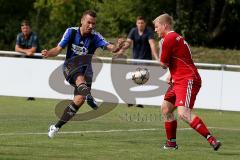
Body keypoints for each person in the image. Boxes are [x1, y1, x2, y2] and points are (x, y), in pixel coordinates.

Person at [42, 10, 125, 138]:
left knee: (79, 100)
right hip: (70, 67)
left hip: (86, 72)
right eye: (89, 22)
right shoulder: (71, 32)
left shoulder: (95, 36)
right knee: (79, 76)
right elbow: (58, 49)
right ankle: (89, 96)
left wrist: (118, 45)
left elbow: (112, 48)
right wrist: (49, 53)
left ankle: (56, 126)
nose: (91, 26)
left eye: (93, 24)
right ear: (82, 21)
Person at [153, 13, 221, 151]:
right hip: (178, 79)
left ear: (164, 25)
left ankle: (212, 139)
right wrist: (171, 75)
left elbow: (163, 64)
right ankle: (171, 144)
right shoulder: (175, 37)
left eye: (157, 26)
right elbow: (177, 60)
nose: (155, 30)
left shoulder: (169, 38)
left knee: (184, 113)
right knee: (166, 108)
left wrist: (158, 54)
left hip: (187, 79)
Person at [119, 16, 158, 108]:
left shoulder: (149, 31)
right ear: (136, 24)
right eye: (139, 23)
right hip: (135, 60)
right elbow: (128, 43)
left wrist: (157, 58)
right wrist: (121, 50)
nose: (140, 25)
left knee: (141, 80)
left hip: (146, 60)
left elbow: (152, 44)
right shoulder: (133, 31)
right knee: (133, 80)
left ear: (145, 24)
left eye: (142, 23)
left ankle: (139, 101)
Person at [15, 20, 41, 101]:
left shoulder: (34, 36)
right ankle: (27, 93)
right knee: (25, 76)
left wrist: (24, 51)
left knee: (34, 77)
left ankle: (33, 94)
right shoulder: (19, 36)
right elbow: (16, 48)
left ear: (30, 28)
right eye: (23, 28)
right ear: (21, 29)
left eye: (26, 28)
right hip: (26, 59)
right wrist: (26, 51)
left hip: (36, 60)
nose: (25, 30)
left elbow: (33, 50)